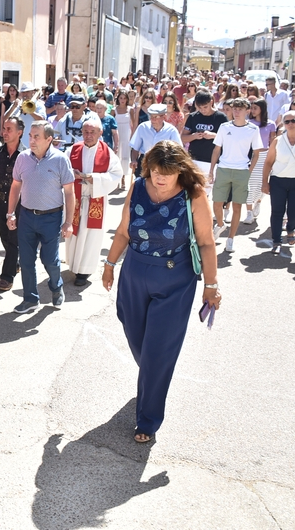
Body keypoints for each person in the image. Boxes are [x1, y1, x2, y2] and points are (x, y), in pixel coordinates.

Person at [102, 141, 221, 443]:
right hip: (135, 273)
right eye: (155, 171)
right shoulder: (139, 187)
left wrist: (211, 285)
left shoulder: (193, 195)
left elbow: (206, 243)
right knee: (134, 335)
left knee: (158, 352)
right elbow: (124, 231)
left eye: (166, 173)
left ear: (179, 170)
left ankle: (148, 419)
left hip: (175, 279)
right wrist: (109, 264)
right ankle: (154, 373)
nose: (160, 178)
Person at [6, 121, 75, 313]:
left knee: (50, 260)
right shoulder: (22, 158)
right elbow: (16, 186)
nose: (31, 140)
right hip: (26, 216)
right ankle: (30, 299)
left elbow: (69, 192)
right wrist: (10, 213)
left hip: (51, 218)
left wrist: (68, 222)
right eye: (30, 136)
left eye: (37, 136)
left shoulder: (60, 160)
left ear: (49, 139)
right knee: (26, 260)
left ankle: (56, 286)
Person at [65, 119, 122, 286]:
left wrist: (94, 178)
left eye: (92, 132)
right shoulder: (73, 150)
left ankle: (84, 270)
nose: (88, 136)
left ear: (100, 133)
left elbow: (116, 175)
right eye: (85, 132)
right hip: (75, 198)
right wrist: (71, 174)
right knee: (75, 232)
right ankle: (74, 264)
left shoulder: (107, 153)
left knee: (90, 235)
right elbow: (63, 168)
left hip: (94, 198)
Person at [208, 98, 264, 253]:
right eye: (234, 108)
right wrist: (212, 170)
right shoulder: (224, 127)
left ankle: (231, 239)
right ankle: (220, 224)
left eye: (240, 109)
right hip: (224, 169)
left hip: (241, 171)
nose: (237, 111)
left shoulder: (253, 129)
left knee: (237, 206)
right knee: (217, 203)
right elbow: (216, 150)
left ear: (247, 111)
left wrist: (249, 171)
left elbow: (257, 153)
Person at [262, 110, 295, 254]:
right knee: (277, 212)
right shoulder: (278, 141)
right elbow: (268, 162)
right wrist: (264, 182)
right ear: (283, 124)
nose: (290, 124)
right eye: (287, 121)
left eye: (293, 121)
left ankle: (291, 229)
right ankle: (277, 241)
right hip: (278, 180)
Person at [0, 117, 26, 293]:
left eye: (9, 129)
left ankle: (7, 277)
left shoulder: (27, 155)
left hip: (19, 205)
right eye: (4, 129)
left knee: (13, 239)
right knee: (5, 237)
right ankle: (15, 262)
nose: (4, 132)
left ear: (19, 133)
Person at [129, 103, 183, 177]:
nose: (153, 119)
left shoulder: (171, 131)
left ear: (163, 117)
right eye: (151, 116)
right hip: (145, 162)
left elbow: (178, 151)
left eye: (156, 117)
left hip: (163, 163)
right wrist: (134, 160)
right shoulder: (142, 127)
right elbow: (135, 148)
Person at [243, 99, 274, 225]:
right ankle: (249, 212)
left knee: (263, 183)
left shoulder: (271, 124)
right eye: (252, 107)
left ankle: (259, 202)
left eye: (255, 107)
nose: (253, 110)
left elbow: (272, 142)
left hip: (265, 156)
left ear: (262, 109)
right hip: (252, 155)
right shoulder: (248, 123)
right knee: (249, 184)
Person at [182, 91, 225, 180]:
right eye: (199, 107)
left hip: (213, 160)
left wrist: (213, 135)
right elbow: (183, 138)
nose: (203, 110)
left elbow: (229, 138)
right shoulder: (193, 117)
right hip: (194, 159)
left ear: (211, 102)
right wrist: (194, 136)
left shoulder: (221, 117)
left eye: (205, 107)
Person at [6, 82, 46, 148]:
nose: (25, 94)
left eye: (27, 92)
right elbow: (6, 119)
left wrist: (30, 111)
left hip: (33, 143)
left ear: (33, 92)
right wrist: (13, 107)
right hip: (18, 143)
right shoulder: (17, 104)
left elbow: (43, 120)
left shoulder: (39, 105)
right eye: (23, 92)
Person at [113, 90, 133, 190]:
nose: (122, 100)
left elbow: (133, 124)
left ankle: (123, 178)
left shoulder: (130, 110)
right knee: (117, 157)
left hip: (126, 134)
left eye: (124, 98)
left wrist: (133, 137)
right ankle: (116, 180)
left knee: (125, 157)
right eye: (121, 98)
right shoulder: (114, 110)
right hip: (117, 134)